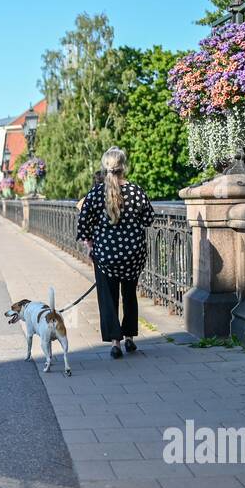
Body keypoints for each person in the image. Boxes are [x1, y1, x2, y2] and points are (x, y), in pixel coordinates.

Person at [76, 148, 156, 360]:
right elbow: (149, 219)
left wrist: (90, 245)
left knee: (108, 298)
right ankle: (129, 336)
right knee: (129, 295)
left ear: (105, 168)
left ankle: (115, 342)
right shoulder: (136, 191)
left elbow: (83, 224)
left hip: (105, 256)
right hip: (132, 254)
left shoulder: (95, 194)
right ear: (124, 167)